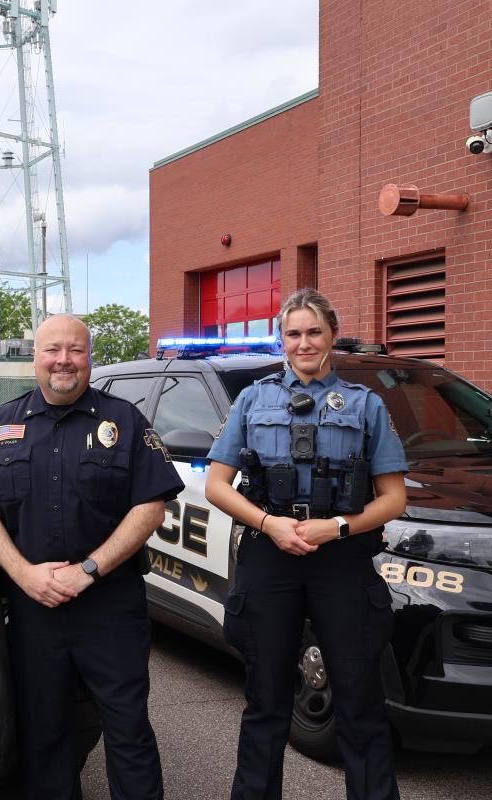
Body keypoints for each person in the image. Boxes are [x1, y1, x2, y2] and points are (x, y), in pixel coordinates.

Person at [0, 314, 183, 800]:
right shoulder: (2, 425)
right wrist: (23, 575)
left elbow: (151, 506)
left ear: (89, 357)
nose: (64, 361)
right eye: (53, 350)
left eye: (75, 351)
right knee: (45, 733)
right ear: (34, 358)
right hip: (33, 607)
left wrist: (89, 571)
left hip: (109, 604)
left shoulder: (123, 421)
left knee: (128, 729)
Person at [205, 288, 407, 800]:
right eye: (293, 333)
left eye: (314, 332)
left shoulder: (367, 406)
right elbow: (216, 486)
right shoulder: (253, 399)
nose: (303, 343)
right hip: (271, 556)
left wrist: (336, 527)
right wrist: (269, 524)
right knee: (266, 702)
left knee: (360, 703)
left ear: (333, 336)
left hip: (339, 558)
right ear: (281, 339)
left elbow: (393, 499)